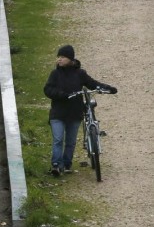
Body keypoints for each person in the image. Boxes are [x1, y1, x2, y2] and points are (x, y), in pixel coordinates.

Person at [43, 44, 117, 176]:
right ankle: (56, 165)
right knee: (58, 139)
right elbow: (48, 90)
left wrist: (108, 88)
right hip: (58, 114)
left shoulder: (80, 74)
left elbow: (93, 84)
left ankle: (66, 164)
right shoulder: (54, 74)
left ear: (71, 59)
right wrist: (61, 94)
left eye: (62, 57)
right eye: (58, 57)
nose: (59, 60)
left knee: (71, 141)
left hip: (74, 113)